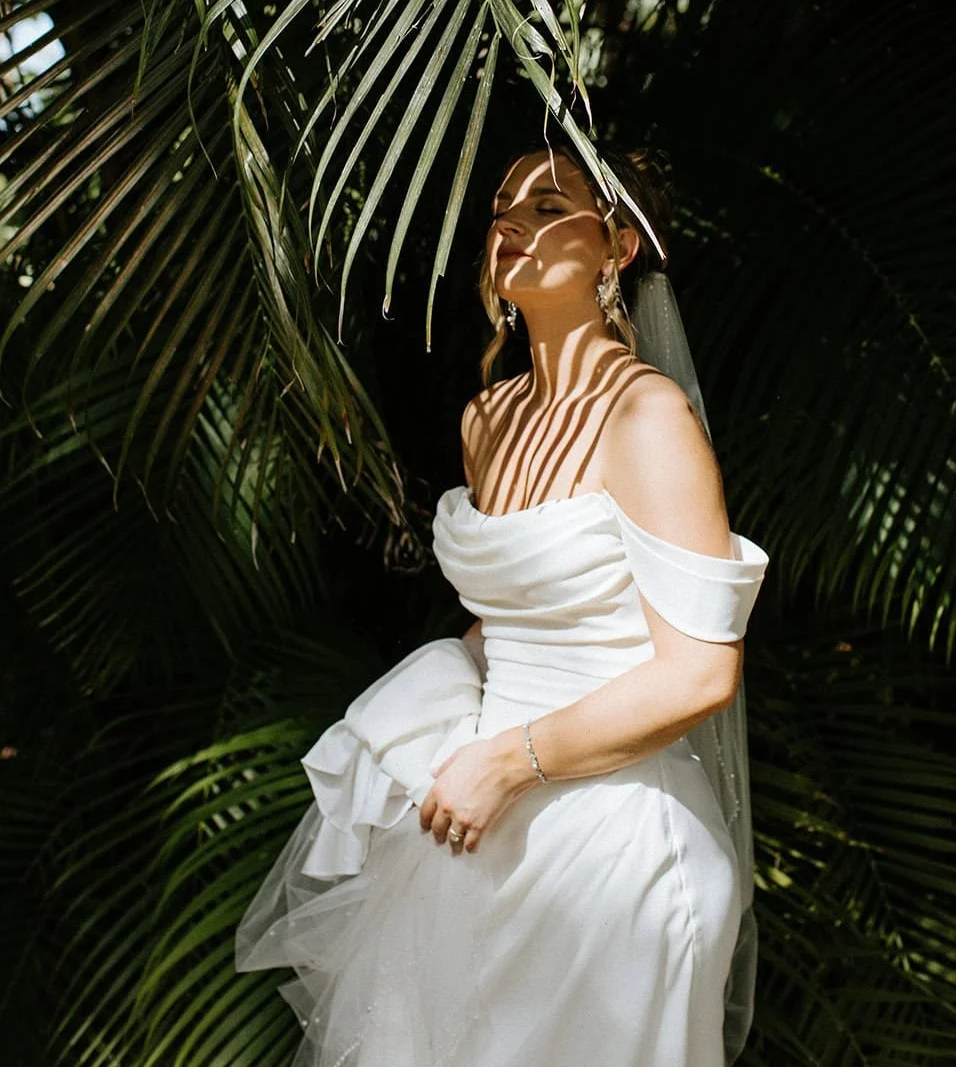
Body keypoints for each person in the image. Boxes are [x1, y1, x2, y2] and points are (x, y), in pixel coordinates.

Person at [236, 143, 769, 1067]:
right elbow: (521, 615)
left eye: (548, 205)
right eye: (500, 208)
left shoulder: (646, 417)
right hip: (472, 825)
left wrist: (509, 764)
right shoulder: (489, 418)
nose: (511, 223)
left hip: (614, 850)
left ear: (616, 250)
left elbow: (700, 671)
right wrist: (438, 719)